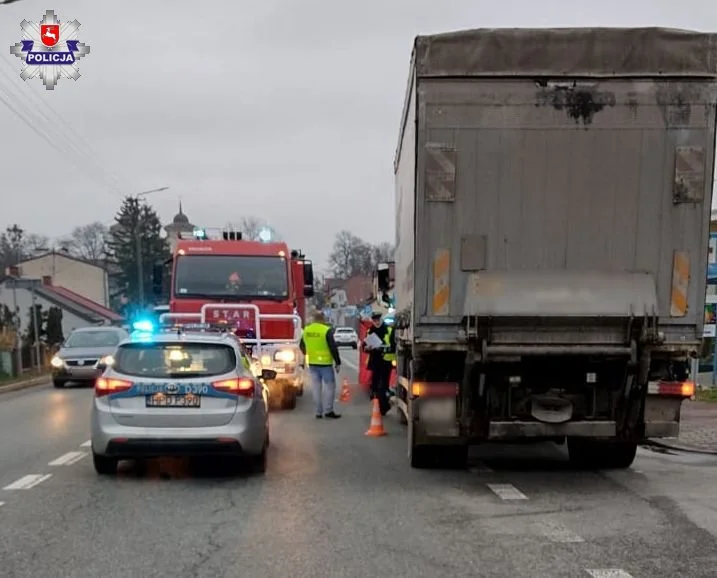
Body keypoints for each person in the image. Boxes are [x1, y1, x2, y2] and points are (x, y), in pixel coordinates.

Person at [300, 311, 342, 419]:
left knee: (316, 387)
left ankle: (318, 412)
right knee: (330, 387)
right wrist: (337, 362)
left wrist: (307, 353)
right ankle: (329, 411)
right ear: (322, 319)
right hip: (325, 363)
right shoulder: (326, 330)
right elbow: (333, 347)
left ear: (313, 319)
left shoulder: (306, 330)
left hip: (313, 363)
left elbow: (301, 345)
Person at [363, 312, 395, 416]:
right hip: (375, 361)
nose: (376, 322)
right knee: (375, 385)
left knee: (383, 385)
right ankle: (381, 403)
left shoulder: (389, 330)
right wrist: (367, 348)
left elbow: (394, 346)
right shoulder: (370, 331)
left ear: (381, 319)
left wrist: (384, 348)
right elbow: (364, 346)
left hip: (386, 361)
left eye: (378, 320)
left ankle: (384, 407)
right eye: (374, 320)